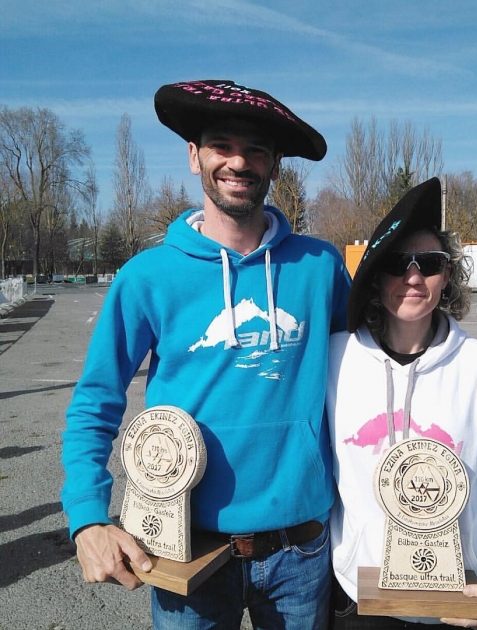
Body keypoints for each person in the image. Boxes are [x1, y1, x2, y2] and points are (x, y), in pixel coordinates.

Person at [61, 79, 351, 630]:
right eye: (222, 144)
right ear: (194, 156)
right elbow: (95, 401)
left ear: (276, 164)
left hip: (303, 551)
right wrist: (87, 519)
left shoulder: (320, 267)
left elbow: (365, 378)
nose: (239, 161)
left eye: (257, 149)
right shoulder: (147, 276)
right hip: (182, 549)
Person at [326, 178, 477, 629]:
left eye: (428, 263)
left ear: (447, 276)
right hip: (361, 598)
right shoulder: (335, 360)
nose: (412, 277)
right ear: (373, 276)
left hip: (458, 599)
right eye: (396, 264)